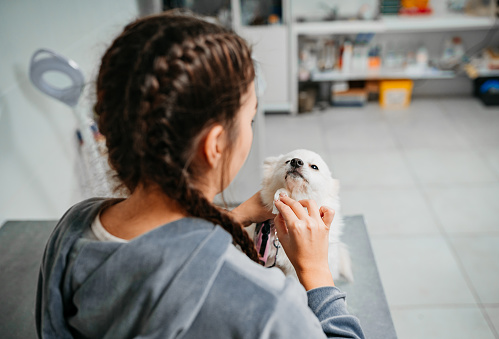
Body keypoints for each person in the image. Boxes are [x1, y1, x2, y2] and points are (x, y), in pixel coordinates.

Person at [36, 10, 365, 339]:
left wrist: (233, 217)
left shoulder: (72, 227)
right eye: (249, 120)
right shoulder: (267, 306)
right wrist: (318, 272)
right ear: (216, 143)